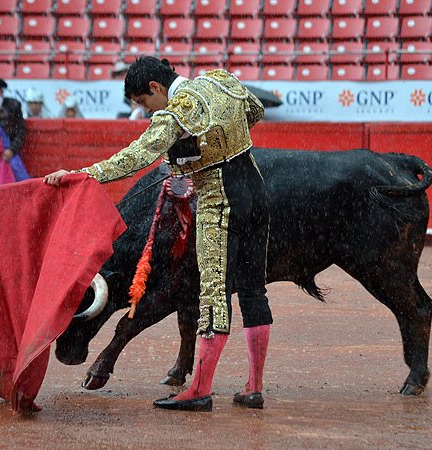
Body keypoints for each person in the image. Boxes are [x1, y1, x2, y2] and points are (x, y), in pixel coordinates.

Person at [44, 56, 272, 412]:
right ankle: (253, 387)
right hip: (256, 192)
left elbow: (136, 156)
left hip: (220, 200)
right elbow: (255, 110)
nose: (147, 110)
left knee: (213, 295)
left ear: (155, 87)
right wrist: (216, 143)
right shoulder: (221, 80)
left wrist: (82, 175)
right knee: (254, 289)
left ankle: (199, 390)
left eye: (144, 101)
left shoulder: (176, 112)